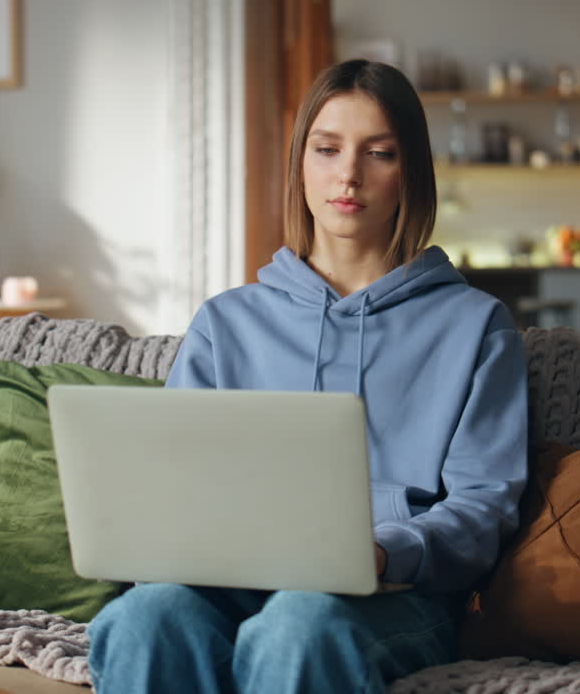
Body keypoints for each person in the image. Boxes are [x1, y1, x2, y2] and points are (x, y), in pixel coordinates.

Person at [87, 59, 528, 694]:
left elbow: (484, 507)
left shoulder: (476, 325)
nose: (348, 175)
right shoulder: (225, 322)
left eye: (378, 153)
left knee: (299, 622)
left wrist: (385, 550)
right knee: (145, 617)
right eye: (327, 149)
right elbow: (173, 489)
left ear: (410, 173)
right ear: (301, 163)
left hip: (392, 599)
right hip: (230, 582)